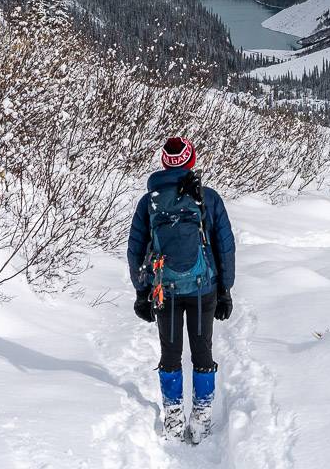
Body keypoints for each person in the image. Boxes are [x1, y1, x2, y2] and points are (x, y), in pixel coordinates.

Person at [127, 137, 235, 443]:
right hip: (204, 289)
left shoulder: (149, 202)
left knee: (170, 354)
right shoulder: (208, 198)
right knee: (202, 352)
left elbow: (135, 249)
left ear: (164, 163)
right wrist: (225, 289)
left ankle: (173, 417)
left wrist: (141, 291)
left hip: (165, 290)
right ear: (191, 161)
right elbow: (225, 246)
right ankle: (201, 416)